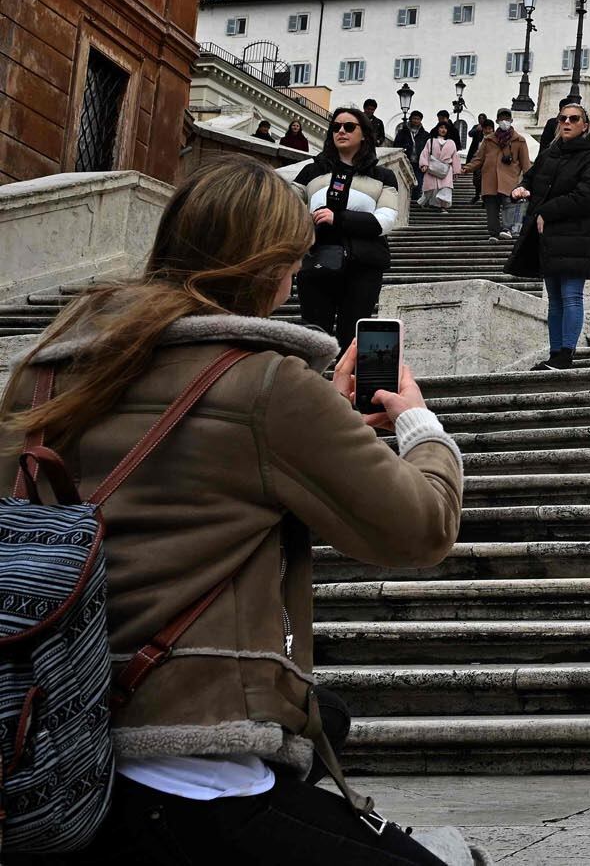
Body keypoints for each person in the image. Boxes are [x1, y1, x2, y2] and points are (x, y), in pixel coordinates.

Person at [0, 156, 472, 865]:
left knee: (326, 720)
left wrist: (313, 412)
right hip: (187, 770)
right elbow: (419, 525)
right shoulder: (267, 384)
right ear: (273, 267)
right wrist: (421, 425)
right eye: (293, 264)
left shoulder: (43, 373)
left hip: (46, 736)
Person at [286, 107, 401, 350]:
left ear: (364, 135)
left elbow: (386, 220)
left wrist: (338, 218)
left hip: (363, 265)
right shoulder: (311, 171)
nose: (341, 131)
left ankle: (347, 386)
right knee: (314, 336)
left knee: (354, 336)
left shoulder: (384, 177)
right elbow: (287, 210)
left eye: (349, 127)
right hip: (317, 261)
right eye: (336, 127)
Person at [507, 101, 590, 371]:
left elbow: (587, 196)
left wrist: (546, 211)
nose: (567, 122)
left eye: (574, 119)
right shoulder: (551, 152)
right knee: (554, 297)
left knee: (572, 294)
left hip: (576, 235)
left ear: (585, 125)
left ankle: (566, 354)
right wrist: (522, 189)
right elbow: (533, 177)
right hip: (549, 236)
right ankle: (555, 354)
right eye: (563, 118)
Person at [466, 113, 532, 241]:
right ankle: (494, 232)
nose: (504, 122)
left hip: (509, 179)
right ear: (497, 121)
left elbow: (526, 164)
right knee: (491, 207)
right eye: (501, 119)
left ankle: (507, 228)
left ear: (511, 120)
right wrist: (465, 168)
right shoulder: (489, 140)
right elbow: (478, 159)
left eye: (507, 119)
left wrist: (528, 182)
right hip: (490, 179)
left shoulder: (519, 140)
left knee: (509, 203)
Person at [416, 118, 461, 210]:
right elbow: (425, 153)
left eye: (445, 128)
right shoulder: (430, 141)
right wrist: (424, 164)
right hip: (432, 167)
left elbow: (455, 157)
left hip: (446, 168)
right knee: (431, 188)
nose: (443, 130)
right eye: (441, 127)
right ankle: (429, 203)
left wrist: (456, 171)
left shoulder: (451, 143)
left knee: (445, 187)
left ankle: (442, 206)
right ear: (437, 129)